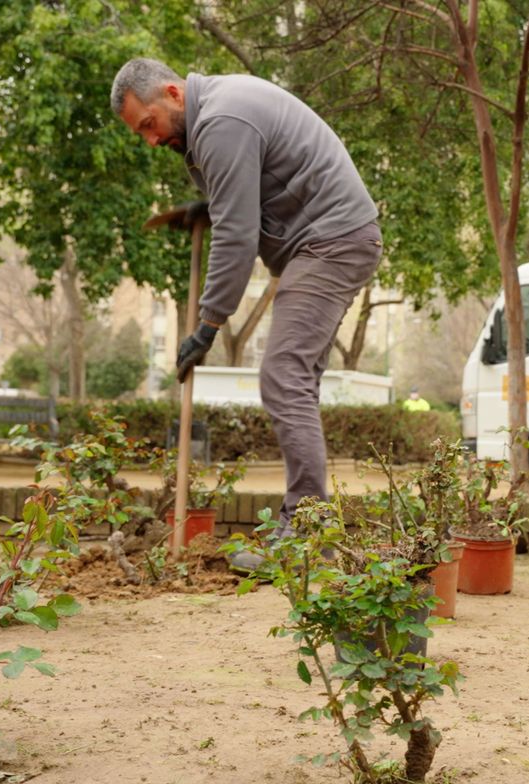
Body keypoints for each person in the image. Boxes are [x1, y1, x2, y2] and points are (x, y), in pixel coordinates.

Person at [111, 58, 381, 561]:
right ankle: (312, 532)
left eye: (148, 124)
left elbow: (238, 235)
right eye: (140, 133)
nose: (150, 140)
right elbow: (243, 200)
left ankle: (306, 534)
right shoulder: (215, 113)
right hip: (328, 240)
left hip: (331, 242)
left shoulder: (221, 120)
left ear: (172, 93)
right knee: (295, 381)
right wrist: (210, 207)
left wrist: (208, 325)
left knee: (283, 375)